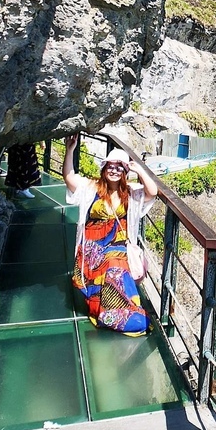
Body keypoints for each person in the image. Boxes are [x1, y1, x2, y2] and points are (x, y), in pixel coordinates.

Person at [62, 135, 158, 335]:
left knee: (114, 265)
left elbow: (153, 191)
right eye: (110, 166)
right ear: (104, 169)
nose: (114, 170)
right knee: (109, 263)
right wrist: (70, 150)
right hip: (92, 244)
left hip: (117, 243)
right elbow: (69, 178)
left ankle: (125, 313)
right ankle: (105, 310)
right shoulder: (92, 188)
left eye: (119, 167)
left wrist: (139, 169)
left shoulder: (131, 192)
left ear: (124, 172)